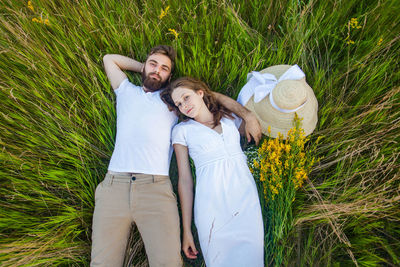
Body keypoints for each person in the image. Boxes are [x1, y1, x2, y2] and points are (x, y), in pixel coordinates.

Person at [91, 45, 262, 267]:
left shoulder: (172, 103)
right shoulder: (126, 91)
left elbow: (211, 96)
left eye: (164, 69)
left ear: (170, 77)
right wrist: (145, 68)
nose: (157, 70)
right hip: (114, 185)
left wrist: (247, 115)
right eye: (153, 64)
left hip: (155, 189)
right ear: (144, 65)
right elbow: (109, 59)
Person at [161, 77, 264, 267]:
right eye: (179, 104)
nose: (184, 106)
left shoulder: (230, 120)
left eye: (186, 97)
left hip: (246, 200)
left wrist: (249, 115)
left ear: (200, 93)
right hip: (211, 206)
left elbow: (224, 102)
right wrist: (187, 231)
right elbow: (184, 181)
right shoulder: (182, 131)